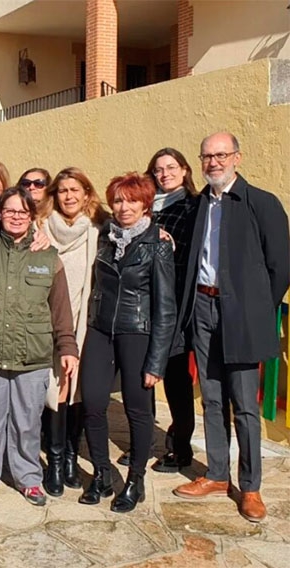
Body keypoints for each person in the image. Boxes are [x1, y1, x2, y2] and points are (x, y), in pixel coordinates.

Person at [173, 133, 289, 523]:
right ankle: (218, 475)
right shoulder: (199, 204)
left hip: (241, 315)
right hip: (202, 308)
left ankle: (251, 487)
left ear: (237, 157)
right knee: (210, 396)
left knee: (244, 406)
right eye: (206, 156)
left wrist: (257, 309)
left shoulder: (261, 203)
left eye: (221, 155)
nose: (213, 162)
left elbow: (281, 266)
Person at [0, 187, 79, 506]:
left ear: (32, 217)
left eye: (23, 212)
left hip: (32, 356)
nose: (16, 217)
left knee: (27, 421)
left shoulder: (48, 257)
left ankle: (28, 478)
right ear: (0, 215)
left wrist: (68, 348)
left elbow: (60, 309)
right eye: (10, 211)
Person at [78, 173, 176, 513]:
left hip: (138, 331)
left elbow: (166, 308)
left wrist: (157, 362)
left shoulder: (158, 244)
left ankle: (136, 479)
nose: (124, 207)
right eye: (118, 200)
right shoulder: (105, 236)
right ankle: (102, 474)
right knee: (91, 401)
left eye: (132, 200)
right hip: (101, 329)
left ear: (145, 203)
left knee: (137, 409)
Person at [37, 167, 109, 496]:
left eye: (75, 189)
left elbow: (134, 226)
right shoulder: (41, 228)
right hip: (46, 324)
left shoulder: (98, 229)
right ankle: (53, 460)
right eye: (63, 190)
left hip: (84, 323)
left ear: (86, 194)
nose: (68, 196)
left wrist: (159, 232)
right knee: (55, 391)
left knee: (74, 389)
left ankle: (69, 455)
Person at [145, 148, 198, 473]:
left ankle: (181, 449)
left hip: (175, 305)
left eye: (170, 167)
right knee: (144, 375)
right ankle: (143, 441)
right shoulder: (146, 207)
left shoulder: (193, 208)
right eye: (158, 169)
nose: (164, 174)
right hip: (144, 301)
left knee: (177, 380)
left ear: (184, 170)